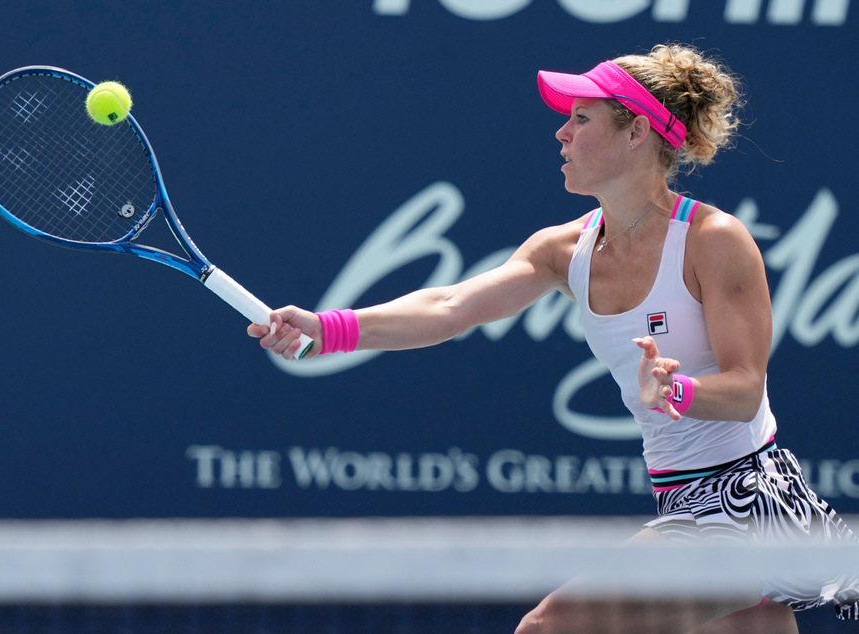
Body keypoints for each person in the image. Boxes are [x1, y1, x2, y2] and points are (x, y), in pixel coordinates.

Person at [248, 43, 859, 632]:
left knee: (551, 628)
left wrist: (677, 393)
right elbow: (451, 306)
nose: (562, 134)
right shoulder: (561, 250)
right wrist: (328, 330)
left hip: (749, 503)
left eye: (581, 118)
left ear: (636, 131)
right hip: (685, 502)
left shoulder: (713, 240)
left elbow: (746, 390)